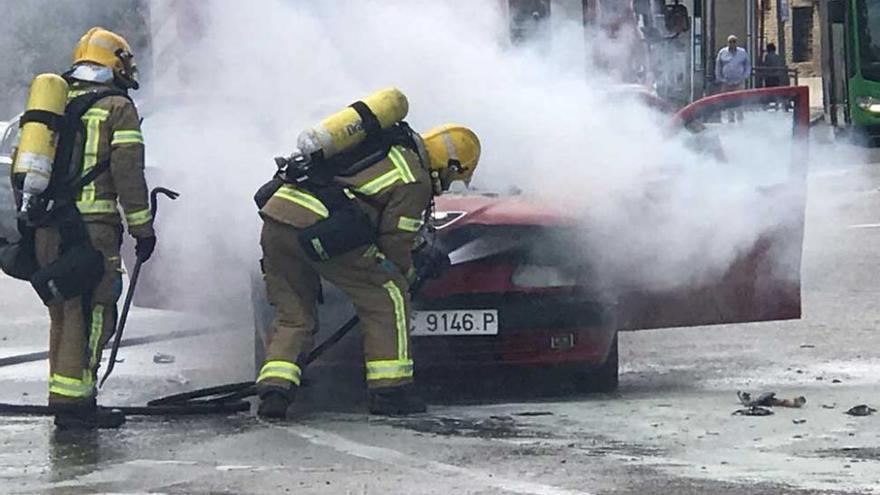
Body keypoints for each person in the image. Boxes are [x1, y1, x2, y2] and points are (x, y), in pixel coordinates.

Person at [254, 116, 480, 419]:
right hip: (318, 226)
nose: (446, 185)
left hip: (277, 219)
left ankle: (275, 391)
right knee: (388, 294)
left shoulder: (382, 148)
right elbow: (396, 240)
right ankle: (391, 391)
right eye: (452, 178)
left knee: (293, 314)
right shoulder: (415, 177)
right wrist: (408, 275)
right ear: (450, 165)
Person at [29, 28, 154, 429]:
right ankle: (77, 404)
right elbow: (127, 173)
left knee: (64, 315)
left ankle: (65, 394)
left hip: (49, 228)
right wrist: (143, 228)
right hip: (93, 230)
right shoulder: (118, 107)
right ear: (116, 62)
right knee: (95, 311)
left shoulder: (56, 102)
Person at [715, 34, 752, 122]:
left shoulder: (742, 52)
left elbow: (747, 66)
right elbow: (718, 66)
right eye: (730, 42)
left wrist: (744, 77)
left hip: (739, 82)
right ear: (727, 43)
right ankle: (730, 121)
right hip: (726, 82)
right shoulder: (722, 52)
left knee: (739, 102)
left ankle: (740, 121)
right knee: (729, 103)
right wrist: (720, 78)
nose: (732, 43)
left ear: (736, 42)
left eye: (734, 41)